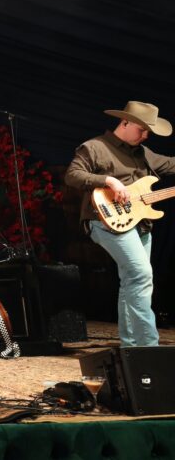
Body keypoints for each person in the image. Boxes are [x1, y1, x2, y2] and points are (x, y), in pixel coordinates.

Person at [64, 101, 175, 347]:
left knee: (134, 281)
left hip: (140, 224)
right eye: (142, 130)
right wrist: (108, 181)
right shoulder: (95, 147)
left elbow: (172, 164)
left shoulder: (144, 154)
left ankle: (131, 346)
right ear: (125, 122)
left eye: (149, 131)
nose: (145, 135)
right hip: (105, 221)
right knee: (141, 274)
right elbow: (73, 175)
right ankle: (149, 346)